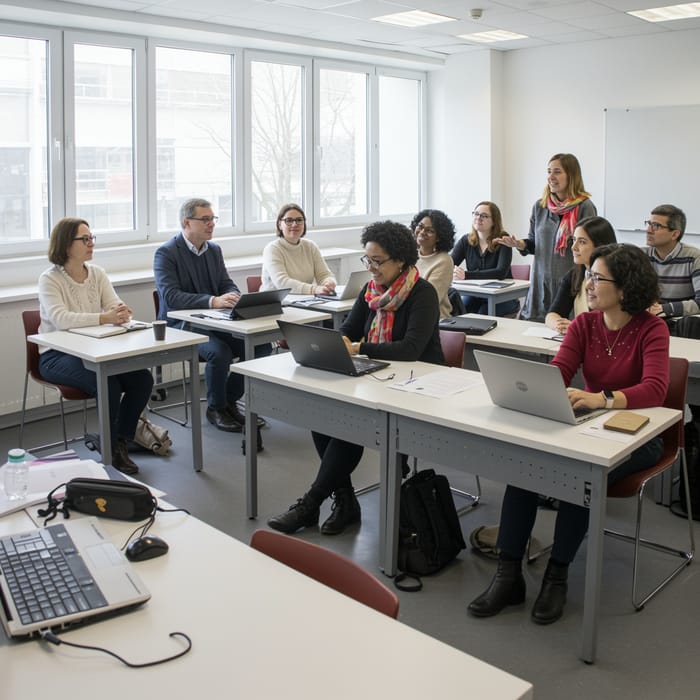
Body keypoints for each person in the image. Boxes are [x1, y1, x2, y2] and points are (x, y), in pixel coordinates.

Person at [468, 243, 669, 625]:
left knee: (580, 479)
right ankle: (508, 575)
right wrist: (528, 390)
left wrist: (601, 399)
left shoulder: (651, 328)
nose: (588, 284)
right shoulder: (584, 324)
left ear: (624, 288)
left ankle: (556, 574)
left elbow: (655, 390)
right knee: (523, 470)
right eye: (589, 275)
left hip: (640, 434)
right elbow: (560, 371)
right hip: (590, 427)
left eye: (597, 278)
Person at [267, 220, 444, 536]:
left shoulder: (423, 293)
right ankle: (344, 499)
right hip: (378, 376)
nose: (371, 268)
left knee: (351, 425)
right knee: (324, 416)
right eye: (368, 260)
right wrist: (338, 343)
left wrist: (359, 347)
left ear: (400, 260)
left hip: (418, 384)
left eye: (377, 261)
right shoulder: (370, 291)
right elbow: (349, 330)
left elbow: (411, 348)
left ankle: (313, 502)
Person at [38, 218, 153, 475]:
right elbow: (61, 319)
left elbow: (114, 303)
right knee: (108, 384)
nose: (91, 243)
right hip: (57, 355)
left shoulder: (98, 273)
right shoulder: (50, 279)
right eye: (85, 239)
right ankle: (111, 448)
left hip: (95, 350)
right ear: (67, 245)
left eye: (92, 238)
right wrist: (104, 317)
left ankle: (120, 440)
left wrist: (120, 311)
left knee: (142, 380)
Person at [154, 198, 265, 434]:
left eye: (213, 219)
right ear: (187, 222)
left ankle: (228, 401)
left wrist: (233, 296)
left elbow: (226, 283)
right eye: (205, 219)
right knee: (219, 352)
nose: (211, 224)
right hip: (181, 325)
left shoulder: (214, 250)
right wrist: (212, 301)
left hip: (215, 321)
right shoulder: (166, 253)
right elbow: (171, 297)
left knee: (260, 346)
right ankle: (215, 408)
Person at [499, 154, 597, 322]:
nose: (551, 177)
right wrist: (520, 244)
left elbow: (591, 247)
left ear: (571, 175)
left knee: (566, 330)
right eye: (549, 171)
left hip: (570, 282)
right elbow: (534, 243)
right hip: (541, 282)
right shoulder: (540, 206)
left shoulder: (585, 207)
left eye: (557, 172)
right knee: (534, 332)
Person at [545, 216, 618, 334]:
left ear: (600, 246)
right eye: (574, 240)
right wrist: (560, 325)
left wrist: (578, 327)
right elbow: (552, 314)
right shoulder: (574, 275)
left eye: (582, 242)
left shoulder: (619, 276)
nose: (573, 247)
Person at [451, 201, 519, 316]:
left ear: (494, 221)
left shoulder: (503, 239)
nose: (478, 218)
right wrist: (454, 272)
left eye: (484, 216)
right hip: (477, 294)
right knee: (461, 310)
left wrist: (467, 275)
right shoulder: (466, 240)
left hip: (503, 297)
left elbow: (501, 272)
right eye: (476, 214)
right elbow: (449, 263)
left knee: (483, 313)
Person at [260, 203, 336, 295]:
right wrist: (314, 290)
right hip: (275, 304)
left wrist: (328, 283)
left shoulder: (310, 246)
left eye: (299, 220)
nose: (295, 224)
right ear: (280, 225)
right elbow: (282, 283)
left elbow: (324, 274)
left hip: (303, 300)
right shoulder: (272, 249)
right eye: (289, 220)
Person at [644, 204, 700, 321]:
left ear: (674, 234)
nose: (648, 230)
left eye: (656, 226)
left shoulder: (694, 258)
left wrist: (665, 309)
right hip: (648, 320)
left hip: (680, 325)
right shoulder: (641, 256)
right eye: (649, 224)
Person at [412, 208, 455, 320]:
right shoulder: (409, 254)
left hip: (433, 320)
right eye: (420, 227)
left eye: (429, 230)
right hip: (408, 315)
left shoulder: (444, 260)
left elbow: (429, 299)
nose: (422, 232)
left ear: (439, 237)